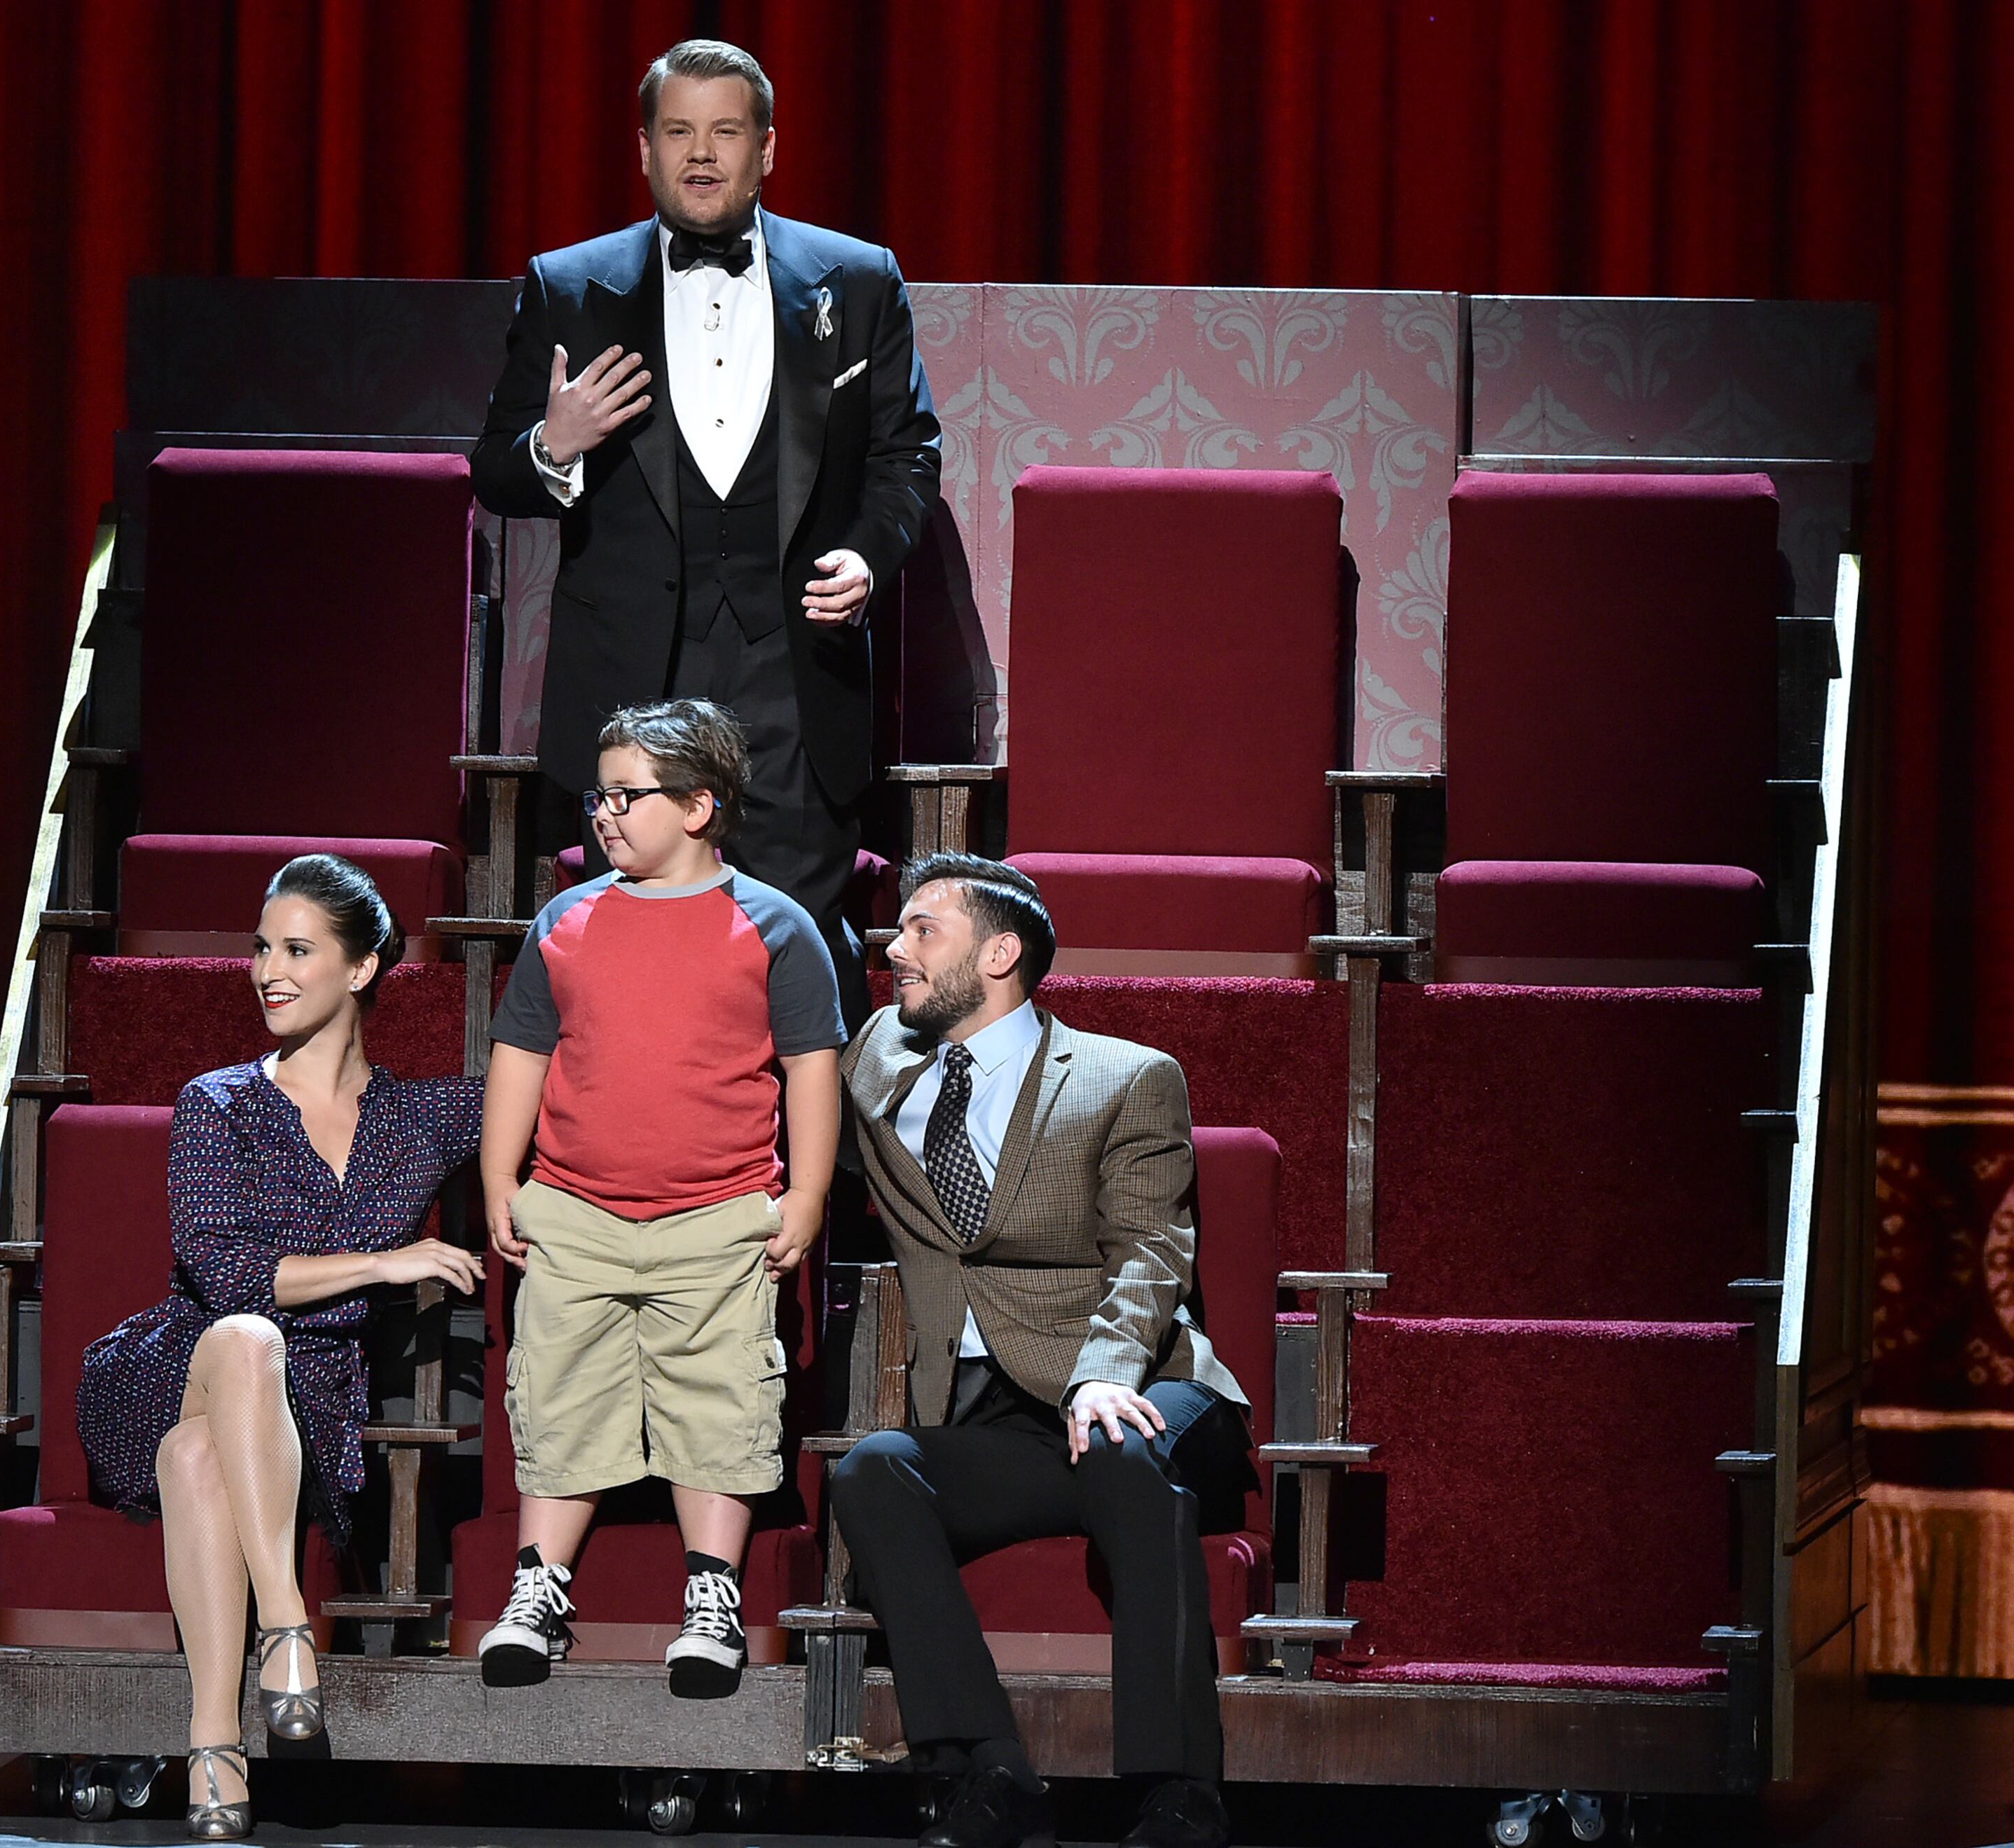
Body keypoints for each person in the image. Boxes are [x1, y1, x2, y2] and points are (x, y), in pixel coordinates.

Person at [470, 36, 942, 1038]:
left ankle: (804, 1195)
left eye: (725, 132)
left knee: (799, 974)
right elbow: (496, 471)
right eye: (678, 131)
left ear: (766, 148)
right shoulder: (569, 286)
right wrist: (554, 444)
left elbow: (907, 459)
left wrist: (865, 554)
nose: (701, 154)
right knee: (641, 975)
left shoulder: (857, 282)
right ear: (643, 148)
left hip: (798, 688)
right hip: (632, 690)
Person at [832, 855, 1257, 1848]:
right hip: (999, 1415)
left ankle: (1179, 1786)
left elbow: (1154, 1250)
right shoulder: (878, 1062)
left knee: (1121, 1450)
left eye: (922, 930)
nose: (893, 948)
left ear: (1000, 951)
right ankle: (992, 1771)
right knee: (873, 1471)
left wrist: (1106, 1372)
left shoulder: (1125, 1076)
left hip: (1145, 1383)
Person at [74, 855, 485, 1840]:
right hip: (179, 1363)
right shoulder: (218, 1100)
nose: (267, 969)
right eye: (263, 947)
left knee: (200, 1457)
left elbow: (554, 1087)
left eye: (297, 949)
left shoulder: (419, 1118)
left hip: (311, 1402)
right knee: (247, 1338)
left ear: (364, 966)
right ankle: (287, 1626)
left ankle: (212, 1742)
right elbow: (231, 1277)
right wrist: (387, 1264)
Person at [475, 698, 844, 1699]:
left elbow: (812, 1067)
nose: (603, 812)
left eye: (626, 795)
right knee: (559, 1390)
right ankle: (538, 1585)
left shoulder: (772, 923)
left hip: (718, 1214)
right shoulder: (568, 918)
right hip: (578, 1209)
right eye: (599, 793)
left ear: (699, 805)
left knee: (718, 1398)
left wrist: (805, 1192)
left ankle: (712, 1598)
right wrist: (498, 1176)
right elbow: (521, 1052)